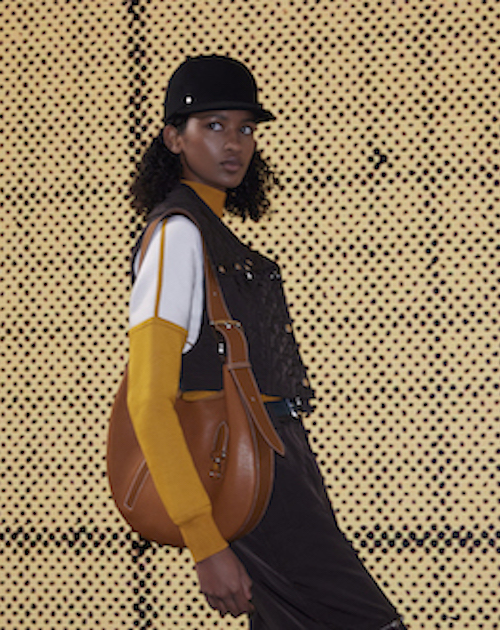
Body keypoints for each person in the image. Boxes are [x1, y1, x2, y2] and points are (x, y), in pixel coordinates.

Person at [125, 54, 405, 629]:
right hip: (248, 471)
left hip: (278, 459)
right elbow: (148, 400)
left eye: (245, 128)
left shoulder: (211, 234)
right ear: (174, 138)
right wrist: (204, 543)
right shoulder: (178, 234)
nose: (234, 143)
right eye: (213, 125)